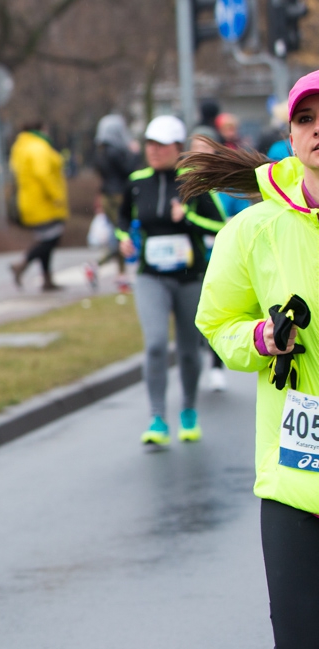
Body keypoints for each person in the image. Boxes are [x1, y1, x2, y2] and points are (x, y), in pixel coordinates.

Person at [182, 69, 319, 649]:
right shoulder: (254, 227)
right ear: (291, 135)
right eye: (308, 118)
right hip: (298, 472)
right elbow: (219, 322)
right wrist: (262, 339)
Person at [116, 115, 225, 446]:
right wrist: (123, 238)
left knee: (190, 351)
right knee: (156, 344)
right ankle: (158, 418)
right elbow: (122, 219)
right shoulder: (137, 182)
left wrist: (188, 218)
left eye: (161, 145)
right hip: (151, 277)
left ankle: (189, 411)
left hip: (190, 278)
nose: (153, 150)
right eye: (149, 144)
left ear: (178, 148)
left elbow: (222, 227)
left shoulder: (195, 182)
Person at [188, 128, 251, 392]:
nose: (201, 154)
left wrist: (225, 226)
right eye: (196, 149)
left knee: (220, 311)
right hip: (194, 259)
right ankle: (200, 357)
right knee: (197, 312)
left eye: (206, 149)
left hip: (223, 258)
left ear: (215, 150)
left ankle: (215, 366)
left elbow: (244, 214)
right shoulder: (183, 183)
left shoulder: (227, 183)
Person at [9, 121, 69, 291]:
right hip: (43, 203)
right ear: (39, 130)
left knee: (45, 239)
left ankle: (47, 279)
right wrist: (57, 195)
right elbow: (43, 174)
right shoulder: (38, 147)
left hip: (30, 202)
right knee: (51, 239)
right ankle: (22, 264)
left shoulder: (21, 146)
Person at [94, 114, 141, 289]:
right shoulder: (116, 151)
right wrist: (135, 154)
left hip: (107, 195)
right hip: (119, 195)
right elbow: (128, 170)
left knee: (118, 233)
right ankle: (103, 266)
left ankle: (119, 272)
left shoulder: (100, 151)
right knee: (123, 233)